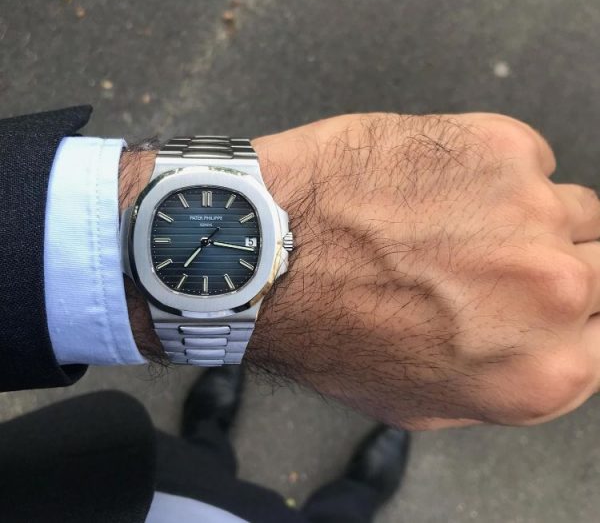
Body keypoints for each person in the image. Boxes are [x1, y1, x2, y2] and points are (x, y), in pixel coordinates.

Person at [0, 106, 598, 521]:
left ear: (279, 244)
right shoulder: (256, 240)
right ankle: (354, 495)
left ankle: (208, 434)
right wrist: (298, 291)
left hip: (107, 483)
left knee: (196, 461)